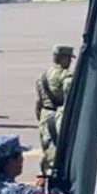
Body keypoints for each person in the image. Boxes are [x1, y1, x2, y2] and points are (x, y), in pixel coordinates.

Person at [35, 44, 76, 179]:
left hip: (44, 116)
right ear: (62, 58)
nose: (70, 62)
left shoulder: (43, 76)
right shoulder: (66, 75)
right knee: (57, 154)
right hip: (58, 116)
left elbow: (38, 103)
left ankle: (45, 176)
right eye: (68, 58)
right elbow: (69, 98)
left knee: (47, 150)